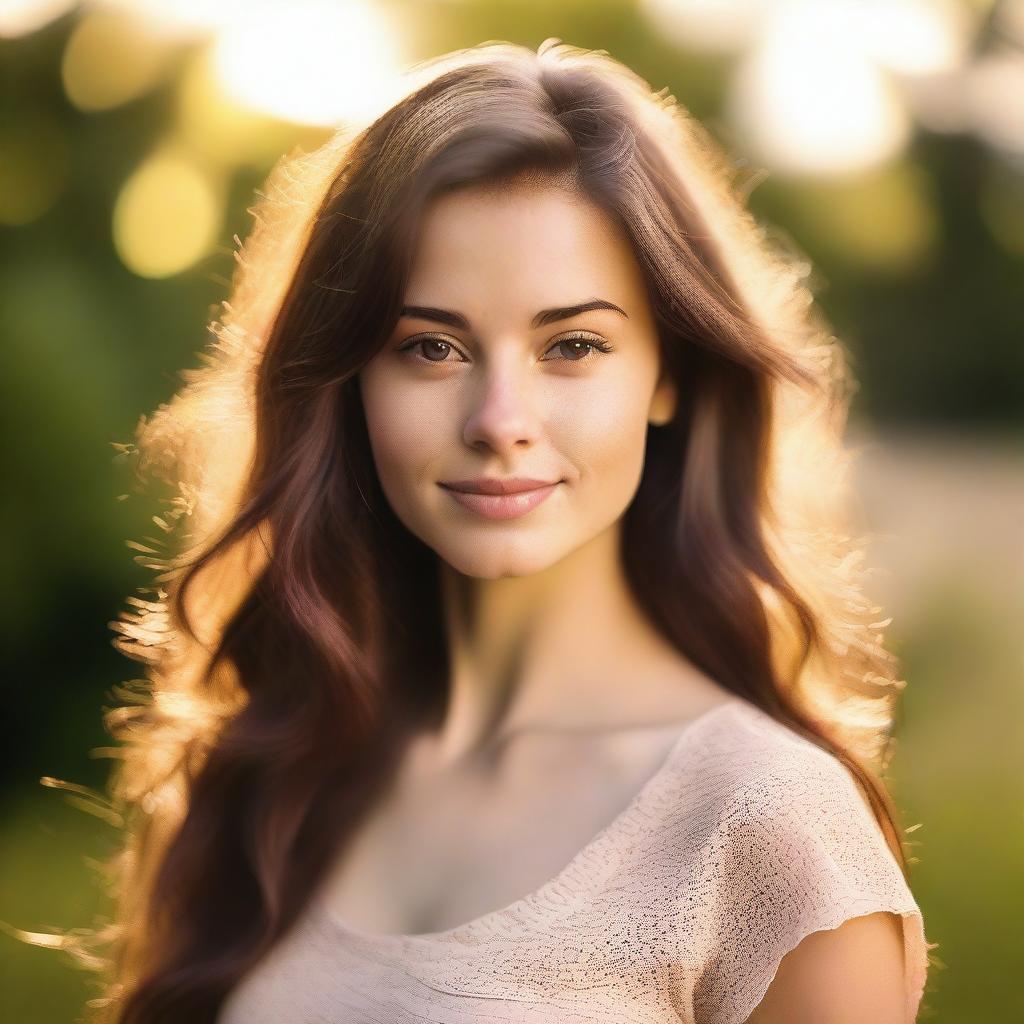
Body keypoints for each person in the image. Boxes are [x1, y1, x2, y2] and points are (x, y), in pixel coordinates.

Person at [56, 38, 933, 1024]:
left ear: (670, 375)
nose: (499, 418)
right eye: (430, 346)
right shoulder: (289, 750)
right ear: (350, 383)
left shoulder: (769, 827)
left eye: (571, 346)